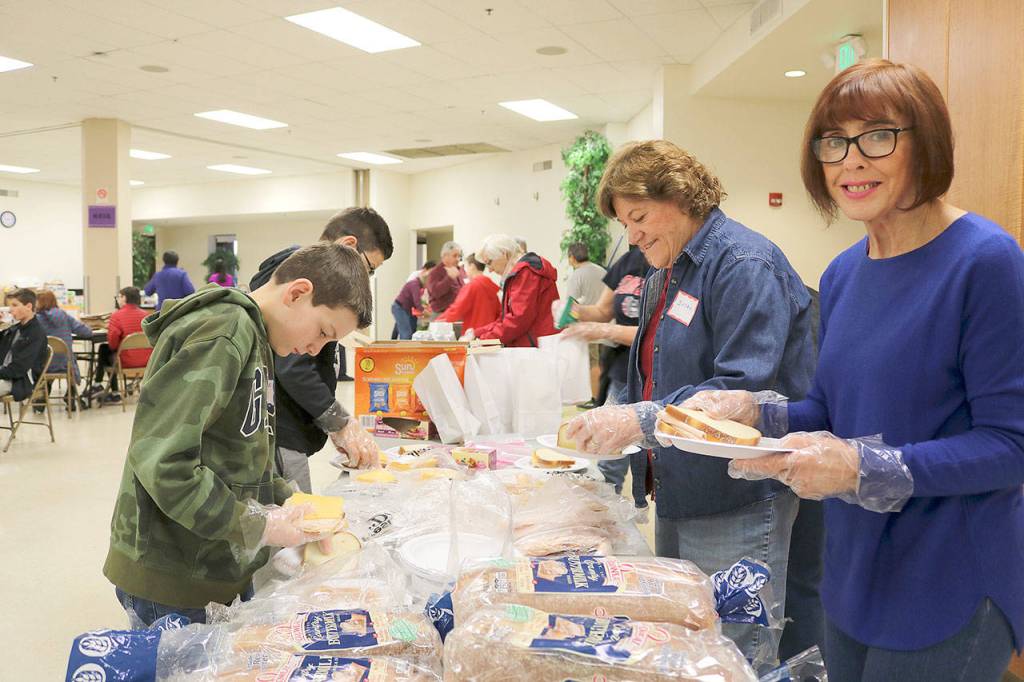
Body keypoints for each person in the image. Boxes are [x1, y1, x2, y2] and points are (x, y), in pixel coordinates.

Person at [685, 60, 1024, 681]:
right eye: (833, 142)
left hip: (949, 580)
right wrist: (754, 411)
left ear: (928, 144)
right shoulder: (843, 273)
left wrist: (866, 467)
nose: (851, 160)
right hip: (855, 571)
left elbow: (1010, 444)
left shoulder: (986, 261)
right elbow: (833, 410)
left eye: (877, 136)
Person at [563, 140, 816, 666]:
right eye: (624, 224)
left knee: (733, 653)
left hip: (736, 496)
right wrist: (619, 430)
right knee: (687, 643)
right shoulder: (669, 269)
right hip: (680, 484)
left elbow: (742, 390)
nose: (631, 236)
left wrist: (640, 419)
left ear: (681, 197)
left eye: (639, 217)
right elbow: (655, 370)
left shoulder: (744, 264)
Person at [104, 242, 374, 626]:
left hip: (216, 561)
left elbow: (244, 451)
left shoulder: (260, 339)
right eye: (323, 332)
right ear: (297, 293)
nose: (316, 349)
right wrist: (260, 525)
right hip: (173, 574)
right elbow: (165, 466)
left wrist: (289, 499)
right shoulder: (223, 332)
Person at [249, 207, 393, 493]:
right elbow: (293, 367)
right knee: (297, 522)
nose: (312, 348)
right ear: (349, 245)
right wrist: (339, 423)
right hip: (281, 429)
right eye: (370, 268)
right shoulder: (308, 287)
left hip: (284, 428)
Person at [562, 244, 648, 498]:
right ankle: (606, 512)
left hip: (658, 375)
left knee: (655, 455)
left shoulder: (670, 262)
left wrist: (606, 331)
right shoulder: (628, 261)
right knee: (608, 455)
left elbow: (660, 334)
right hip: (623, 373)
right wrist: (576, 311)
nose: (633, 233)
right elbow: (602, 311)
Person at [465, 234, 558, 347]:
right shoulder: (518, 274)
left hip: (537, 347)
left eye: (489, 262)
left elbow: (518, 320)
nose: (489, 270)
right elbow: (505, 318)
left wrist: (483, 341)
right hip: (532, 345)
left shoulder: (526, 273)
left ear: (504, 254)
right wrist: (477, 333)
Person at [565, 242, 611, 405]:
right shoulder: (601, 270)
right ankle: (604, 397)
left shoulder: (576, 275)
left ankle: (595, 399)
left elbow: (571, 303)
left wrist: (566, 324)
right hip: (607, 325)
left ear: (571, 257)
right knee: (603, 364)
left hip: (588, 327)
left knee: (592, 363)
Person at [91, 287, 153, 404]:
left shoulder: (117, 316)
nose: (118, 300)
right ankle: (110, 391)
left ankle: (100, 385)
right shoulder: (147, 316)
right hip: (146, 362)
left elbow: (113, 344)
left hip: (126, 362)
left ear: (124, 298)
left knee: (105, 350)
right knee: (107, 351)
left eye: (119, 297)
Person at [35, 289, 92, 388]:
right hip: (66, 363)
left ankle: (42, 395)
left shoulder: (35, 320)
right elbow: (86, 332)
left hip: (44, 364)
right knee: (68, 358)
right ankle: (71, 396)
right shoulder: (63, 315)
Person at [0, 288, 47, 400]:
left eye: (15, 305)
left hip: (20, 381)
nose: (10, 310)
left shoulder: (36, 333)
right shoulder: (15, 329)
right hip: (5, 375)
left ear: (29, 306)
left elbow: (18, 369)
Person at [438, 252, 501, 333]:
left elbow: (456, 310)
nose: (465, 271)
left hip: (473, 334)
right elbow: (499, 314)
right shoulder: (491, 287)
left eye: (465, 267)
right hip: (489, 334)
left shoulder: (472, 286)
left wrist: (438, 321)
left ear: (472, 266)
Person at [425, 241, 465, 314]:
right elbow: (435, 292)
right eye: (455, 256)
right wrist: (449, 278)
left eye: (459, 256)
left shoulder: (461, 270)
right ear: (445, 256)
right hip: (441, 315)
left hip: (459, 313)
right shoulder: (435, 272)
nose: (458, 259)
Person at [392, 264, 430, 340]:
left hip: (405, 309)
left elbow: (416, 302)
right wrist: (424, 311)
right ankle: (404, 351)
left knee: (406, 330)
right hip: (400, 308)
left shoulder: (418, 285)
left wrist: (423, 308)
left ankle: (393, 347)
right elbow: (416, 302)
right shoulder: (415, 283)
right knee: (406, 334)